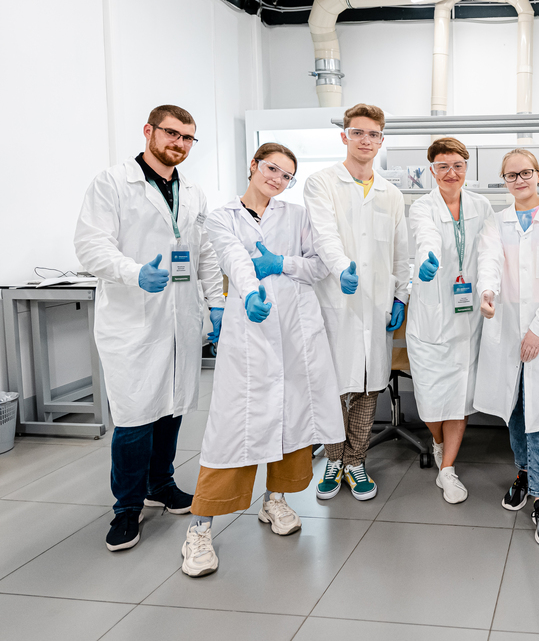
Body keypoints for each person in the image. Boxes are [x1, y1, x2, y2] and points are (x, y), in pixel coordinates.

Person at [178, 143, 346, 577]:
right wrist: (252, 290)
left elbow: (317, 267)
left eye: (287, 175)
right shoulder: (222, 217)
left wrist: (282, 263)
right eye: (272, 169)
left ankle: (276, 500)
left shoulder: (298, 215)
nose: (278, 179)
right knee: (233, 425)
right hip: (250, 330)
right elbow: (234, 258)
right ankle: (200, 527)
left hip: (295, 328)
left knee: (292, 417)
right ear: (253, 166)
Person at [75, 105, 225, 551]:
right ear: (149, 131)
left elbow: (205, 253)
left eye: (187, 138)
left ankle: (161, 484)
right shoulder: (112, 183)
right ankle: (127, 507)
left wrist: (217, 304)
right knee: (135, 415)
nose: (179, 143)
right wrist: (134, 272)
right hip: (133, 320)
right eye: (172, 133)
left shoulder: (192, 192)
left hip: (180, 318)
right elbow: (90, 245)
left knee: (172, 406)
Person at [304, 103, 409, 501]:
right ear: (344, 135)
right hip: (336, 299)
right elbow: (324, 235)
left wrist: (400, 295)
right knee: (333, 386)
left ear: (381, 141)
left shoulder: (391, 193)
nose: (366, 140)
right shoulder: (321, 183)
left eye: (374, 134)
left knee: (368, 387)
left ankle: (356, 461)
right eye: (358, 132)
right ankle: (334, 459)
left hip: (377, 304)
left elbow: (400, 250)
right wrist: (340, 268)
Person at [475, 148, 539, 546]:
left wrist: (537, 329)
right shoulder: (496, 221)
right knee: (515, 409)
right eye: (511, 175)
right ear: (504, 181)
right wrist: (487, 292)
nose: (519, 180)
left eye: (526, 173)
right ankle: (524, 471)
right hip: (506, 331)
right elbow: (489, 261)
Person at [406, 138, 493, 503]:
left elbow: (488, 252)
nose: (451, 173)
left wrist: (488, 289)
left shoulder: (481, 205)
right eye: (443, 166)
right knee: (430, 399)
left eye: (457, 165)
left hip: (467, 315)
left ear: (466, 167)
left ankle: (448, 468)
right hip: (430, 315)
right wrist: (429, 259)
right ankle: (437, 440)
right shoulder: (421, 207)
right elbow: (425, 236)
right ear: (432, 170)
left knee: (459, 397)